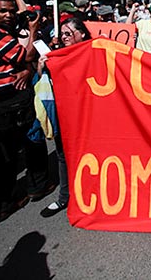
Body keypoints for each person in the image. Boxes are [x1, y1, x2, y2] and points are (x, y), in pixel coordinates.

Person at [0, 0, 52, 222]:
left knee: (27, 144)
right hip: (3, 105)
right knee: (8, 156)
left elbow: (28, 14)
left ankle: (35, 186)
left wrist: (26, 71)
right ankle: (6, 202)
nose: (9, 15)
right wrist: (31, 34)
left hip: (11, 102)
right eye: (2, 11)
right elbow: (26, 55)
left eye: (11, 11)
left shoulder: (5, 30)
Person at [37, 17, 92, 218]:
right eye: (62, 34)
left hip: (87, 113)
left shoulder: (92, 52)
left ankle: (92, 196)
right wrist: (41, 67)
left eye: (69, 33)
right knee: (62, 154)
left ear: (82, 34)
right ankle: (64, 197)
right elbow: (45, 84)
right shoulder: (54, 56)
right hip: (63, 114)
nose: (64, 37)